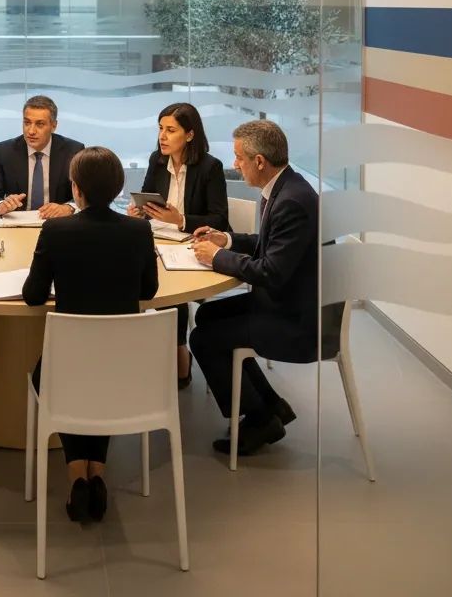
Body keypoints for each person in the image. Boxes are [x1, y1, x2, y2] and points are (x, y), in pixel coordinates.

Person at [23, 146, 158, 523]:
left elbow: (33, 295)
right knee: (102, 380)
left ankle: (76, 474)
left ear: (76, 189)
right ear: (117, 188)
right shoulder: (138, 230)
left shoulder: (57, 230)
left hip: (66, 369)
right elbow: (148, 290)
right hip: (124, 367)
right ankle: (95, 471)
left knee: (59, 376)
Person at [188, 120, 318, 456]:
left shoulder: (292, 200)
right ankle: (271, 404)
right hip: (284, 302)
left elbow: (271, 271)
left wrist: (218, 257)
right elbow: (270, 243)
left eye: (239, 158)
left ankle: (259, 419)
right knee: (207, 313)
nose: (235, 165)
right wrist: (228, 240)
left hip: (293, 318)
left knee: (203, 338)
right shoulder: (285, 187)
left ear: (259, 161)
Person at [127, 103, 230, 387]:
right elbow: (147, 201)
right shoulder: (156, 160)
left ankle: (178, 352)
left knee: (171, 289)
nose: (162, 136)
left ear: (189, 135)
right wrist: (139, 210)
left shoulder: (210, 167)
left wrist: (181, 219)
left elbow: (220, 218)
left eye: (170, 130)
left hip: (195, 244)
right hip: (159, 241)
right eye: (160, 129)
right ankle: (140, 352)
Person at [0, 95, 84, 218]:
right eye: (27, 123)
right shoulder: (4, 151)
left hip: (58, 224)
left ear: (54, 126)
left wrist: (69, 207)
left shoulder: (73, 151)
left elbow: (87, 195)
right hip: (16, 225)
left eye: (40, 124)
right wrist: (1, 205)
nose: (31, 131)